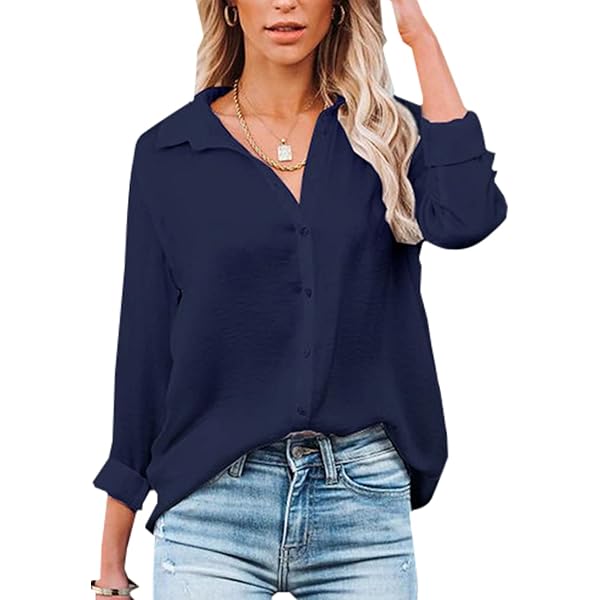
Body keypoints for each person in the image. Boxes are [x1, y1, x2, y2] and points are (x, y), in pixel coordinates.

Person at [90, 0, 507, 598]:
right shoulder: (170, 152)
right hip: (211, 504)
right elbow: (146, 346)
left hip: (362, 505)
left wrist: (418, 35)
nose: (285, 3)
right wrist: (112, 560)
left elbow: (468, 217)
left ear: (338, 8)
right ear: (229, 7)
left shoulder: (390, 135)